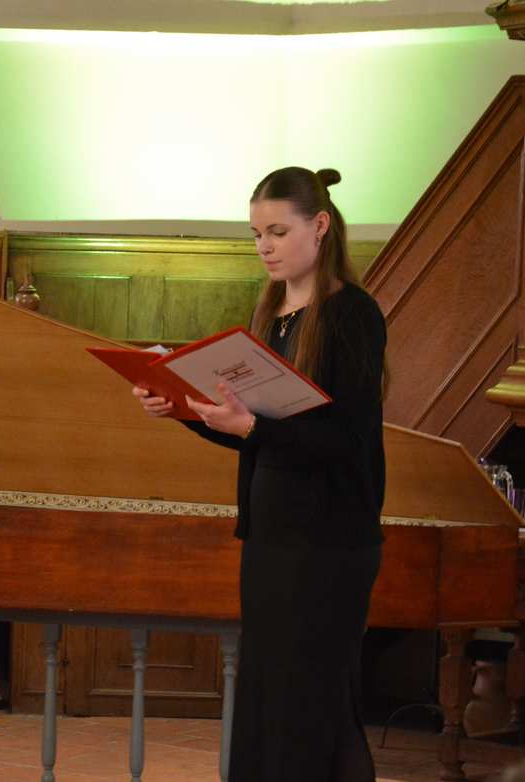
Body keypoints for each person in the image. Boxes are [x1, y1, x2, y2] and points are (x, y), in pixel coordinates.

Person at [134, 166, 387, 781]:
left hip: (328, 541)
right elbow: (259, 435)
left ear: (320, 226)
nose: (264, 246)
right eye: (256, 234)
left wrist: (250, 428)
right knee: (269, 702)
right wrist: (183, 411)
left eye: (277, 230)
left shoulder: (352, 313)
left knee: (313, 704)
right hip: (272, 538)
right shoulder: (272, 316)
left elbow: (343, 442)